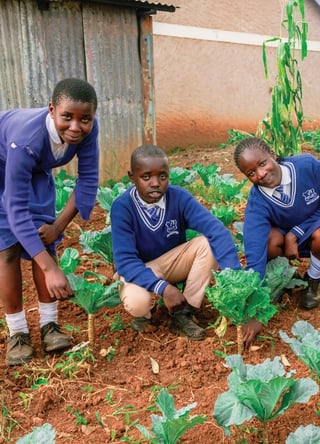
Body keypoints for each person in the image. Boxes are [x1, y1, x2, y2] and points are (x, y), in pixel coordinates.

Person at [0, 78, 99, 365]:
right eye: (66, 117)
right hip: (5, 159)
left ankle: (49, 324)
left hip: (35, 167)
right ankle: (17, 332)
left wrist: (58, 227)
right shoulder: (27, 138)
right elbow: (16, 209)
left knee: (44, 237)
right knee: (7, 246)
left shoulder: (87, 129)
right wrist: (51, 269)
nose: (75, 127)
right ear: (51, 110)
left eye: (85, 119)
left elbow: (88, 180)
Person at [110, 144, 241, 341]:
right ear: (132, 177)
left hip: (172, 262)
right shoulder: (122, 207)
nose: (155, 183)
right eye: (146, 177)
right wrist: (164, 288)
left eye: (162, 176)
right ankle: (149, 315)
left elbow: (216, 230)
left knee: (207, 244)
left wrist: (235, 278)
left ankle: (183, 314)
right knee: (138, 303)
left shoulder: (178, 197)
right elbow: (126, 261)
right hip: (139, 269)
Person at [234, 136, 320, 343]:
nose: (261, 174)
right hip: (287, 245)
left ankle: (314, 279)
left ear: (272, 154)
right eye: (251, 173)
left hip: (312, 234)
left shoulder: (307, 166)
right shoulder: (258, 201)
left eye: (262, 163)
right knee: (267, 241)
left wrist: (296, 232)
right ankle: (279, 280)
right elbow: (254, 254)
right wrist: (256, 307)